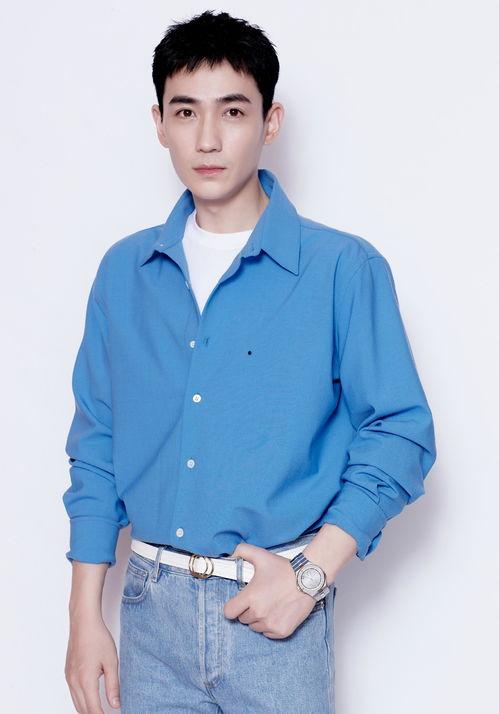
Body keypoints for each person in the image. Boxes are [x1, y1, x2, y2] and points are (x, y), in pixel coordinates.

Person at [62, 10, 437, 714]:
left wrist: (310, 576)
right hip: (149, 615)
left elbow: (399, 432)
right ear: (159, 123)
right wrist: (85, 617)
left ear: (270, 122)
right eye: (185, 112)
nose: (207, 138)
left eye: (232, 111)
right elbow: (98, 444)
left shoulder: (341, 268)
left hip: (272, 619)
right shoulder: (124, 272)